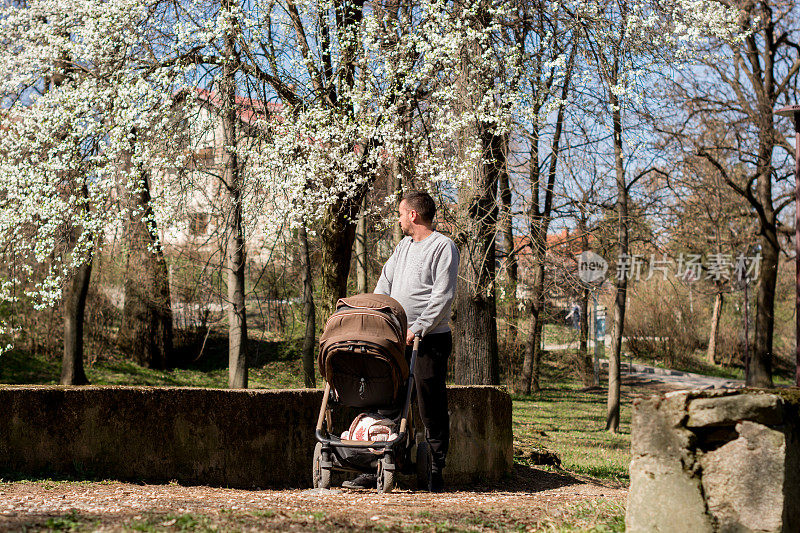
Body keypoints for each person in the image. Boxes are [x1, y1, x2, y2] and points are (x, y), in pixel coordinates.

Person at [342, 190, 459, 492]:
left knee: (429, 401)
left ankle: (434, 468)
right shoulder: (403, 246)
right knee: (387, 399)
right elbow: (385, 284)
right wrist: (375, 315)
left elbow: (442, 296)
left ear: (413, 215)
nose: (398, 219)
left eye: (400, 213)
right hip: (396, 337)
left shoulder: (443, 247)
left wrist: (419, 327)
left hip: (429, 339)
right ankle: (379, 463)